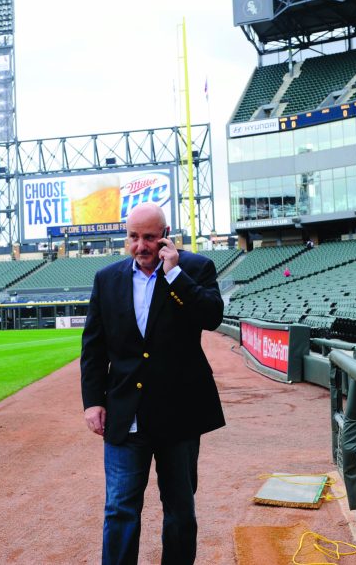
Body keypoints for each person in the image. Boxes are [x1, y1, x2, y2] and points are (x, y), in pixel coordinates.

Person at [81, 203, 225, 565]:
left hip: (178, 414)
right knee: (120, 509)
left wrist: (174, 274)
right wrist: (93, 402)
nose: (140, 245)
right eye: (133, 237)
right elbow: (94, 348)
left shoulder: (195, 268)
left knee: (179, 509)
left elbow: (211, 316)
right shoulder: (106, 278)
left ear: (166, 235)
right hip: (125, 413)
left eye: (149, 237)